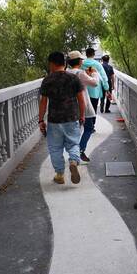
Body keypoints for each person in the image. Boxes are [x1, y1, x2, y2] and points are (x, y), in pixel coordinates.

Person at [39, 51, 85, 184]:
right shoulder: (73, 78)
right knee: (73, 143)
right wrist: (82, 116)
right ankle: (73, 161)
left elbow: (43, 102)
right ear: (64, 64)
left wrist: (41, 120)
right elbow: (81, 100)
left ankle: (59, 174)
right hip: (71, 117)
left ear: (52, 64)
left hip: (54, 120)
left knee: (55, 148)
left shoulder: (47, 80)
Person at [67, 51, 99, 162]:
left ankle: (74, 154)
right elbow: (94, 83)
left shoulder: (67, 72)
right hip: (83, 105)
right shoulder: (80, 73)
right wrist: (94, 73)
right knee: (89, 128)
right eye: (81, 59)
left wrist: (85, 73)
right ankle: (80, 151)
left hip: (71, 106)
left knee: (74, 131)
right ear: (79, 61)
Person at [81, 48, 109, 128]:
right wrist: (106, 88)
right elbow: (104, 77)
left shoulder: (81, 64)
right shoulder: (97, 64)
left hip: (83, 90)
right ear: (94, 54)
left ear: (86, 54)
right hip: (95, 90)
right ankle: (92, 125)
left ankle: (84, 123)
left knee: (83, 106)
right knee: (93, 107)